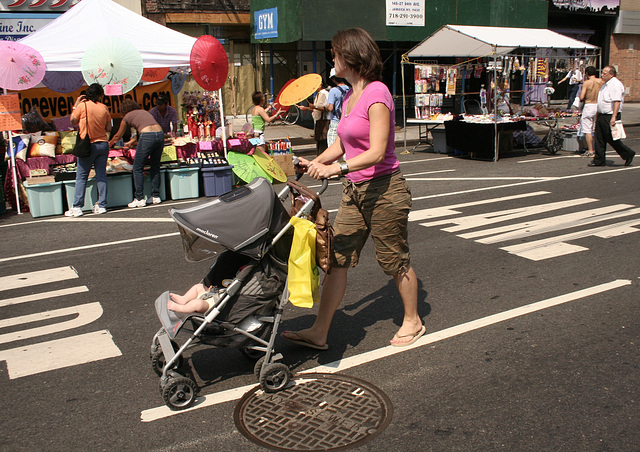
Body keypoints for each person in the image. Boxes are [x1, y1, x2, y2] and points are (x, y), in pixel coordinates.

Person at [281, 27, 423, 350]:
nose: (332, 58)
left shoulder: (377, 93)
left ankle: (413, 320)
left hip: (385, 190)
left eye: (335, 53)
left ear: (351, 55)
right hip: (355, 192)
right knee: (337, 258)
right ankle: (320, 331)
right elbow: (343, 144)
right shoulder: (349, 96)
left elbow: (376, 150)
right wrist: (314, 162)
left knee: (394, 260)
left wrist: (335, 169)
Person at [64, 83, 112, 217]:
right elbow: (108, 128)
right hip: (103, 143)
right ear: (100, 95)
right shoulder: (104, 108)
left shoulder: (82, 106)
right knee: (101, 175)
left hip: (88, 145)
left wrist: (76, 104)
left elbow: (73, 121)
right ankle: (102, 205)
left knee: (82, 176)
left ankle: (77, 206)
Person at [109, 99, 164, 206]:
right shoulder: (143, 112)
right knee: (155, 166)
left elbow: (118, 135)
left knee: (137, 167)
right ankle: (155, 196)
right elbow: (141, 133)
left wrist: (110, 143)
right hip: (160, 134)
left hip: (147, 136)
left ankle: (139, 198)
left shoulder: (127, 117)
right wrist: (130, 143)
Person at [589, 65, 636, 167]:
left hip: (610, 115)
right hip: (602, 114)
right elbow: (601, 102)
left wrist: (614, 117)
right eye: (602, 73)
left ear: (612, 74)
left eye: (604, 73)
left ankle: (628, 153)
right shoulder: (605, 84)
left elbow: (617, 102)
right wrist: (597, 116)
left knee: (612, 138)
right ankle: (599, 160)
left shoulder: (615, 85)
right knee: (599, 137)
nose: (602, 75)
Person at [578, 66, 603, 158]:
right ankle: (598, 149)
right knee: (596, 128)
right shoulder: (601, 81)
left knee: (587, 129)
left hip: (589, 105)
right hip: (599, 105)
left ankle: (590, 150)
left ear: (587, 73)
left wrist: (581, 98)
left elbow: (582, 96)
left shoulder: (587, 83)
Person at [299, 83, 330, 153]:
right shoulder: (318, 94)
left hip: (323, 121)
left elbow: (326, 108)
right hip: (318, 120)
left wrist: (314, 107)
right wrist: (306, 108)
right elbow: (316, 108)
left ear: (320, 85)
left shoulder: (324, 93)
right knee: (320, 140)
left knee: (323, 141)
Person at [326, 68, 350, 147]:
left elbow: (330, 108)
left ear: (334, 79)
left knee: (332, 146)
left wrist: (325, 107)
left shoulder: (333, 90)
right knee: (346, 147)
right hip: (347, 121)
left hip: (336, 121)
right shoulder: (350, 89)